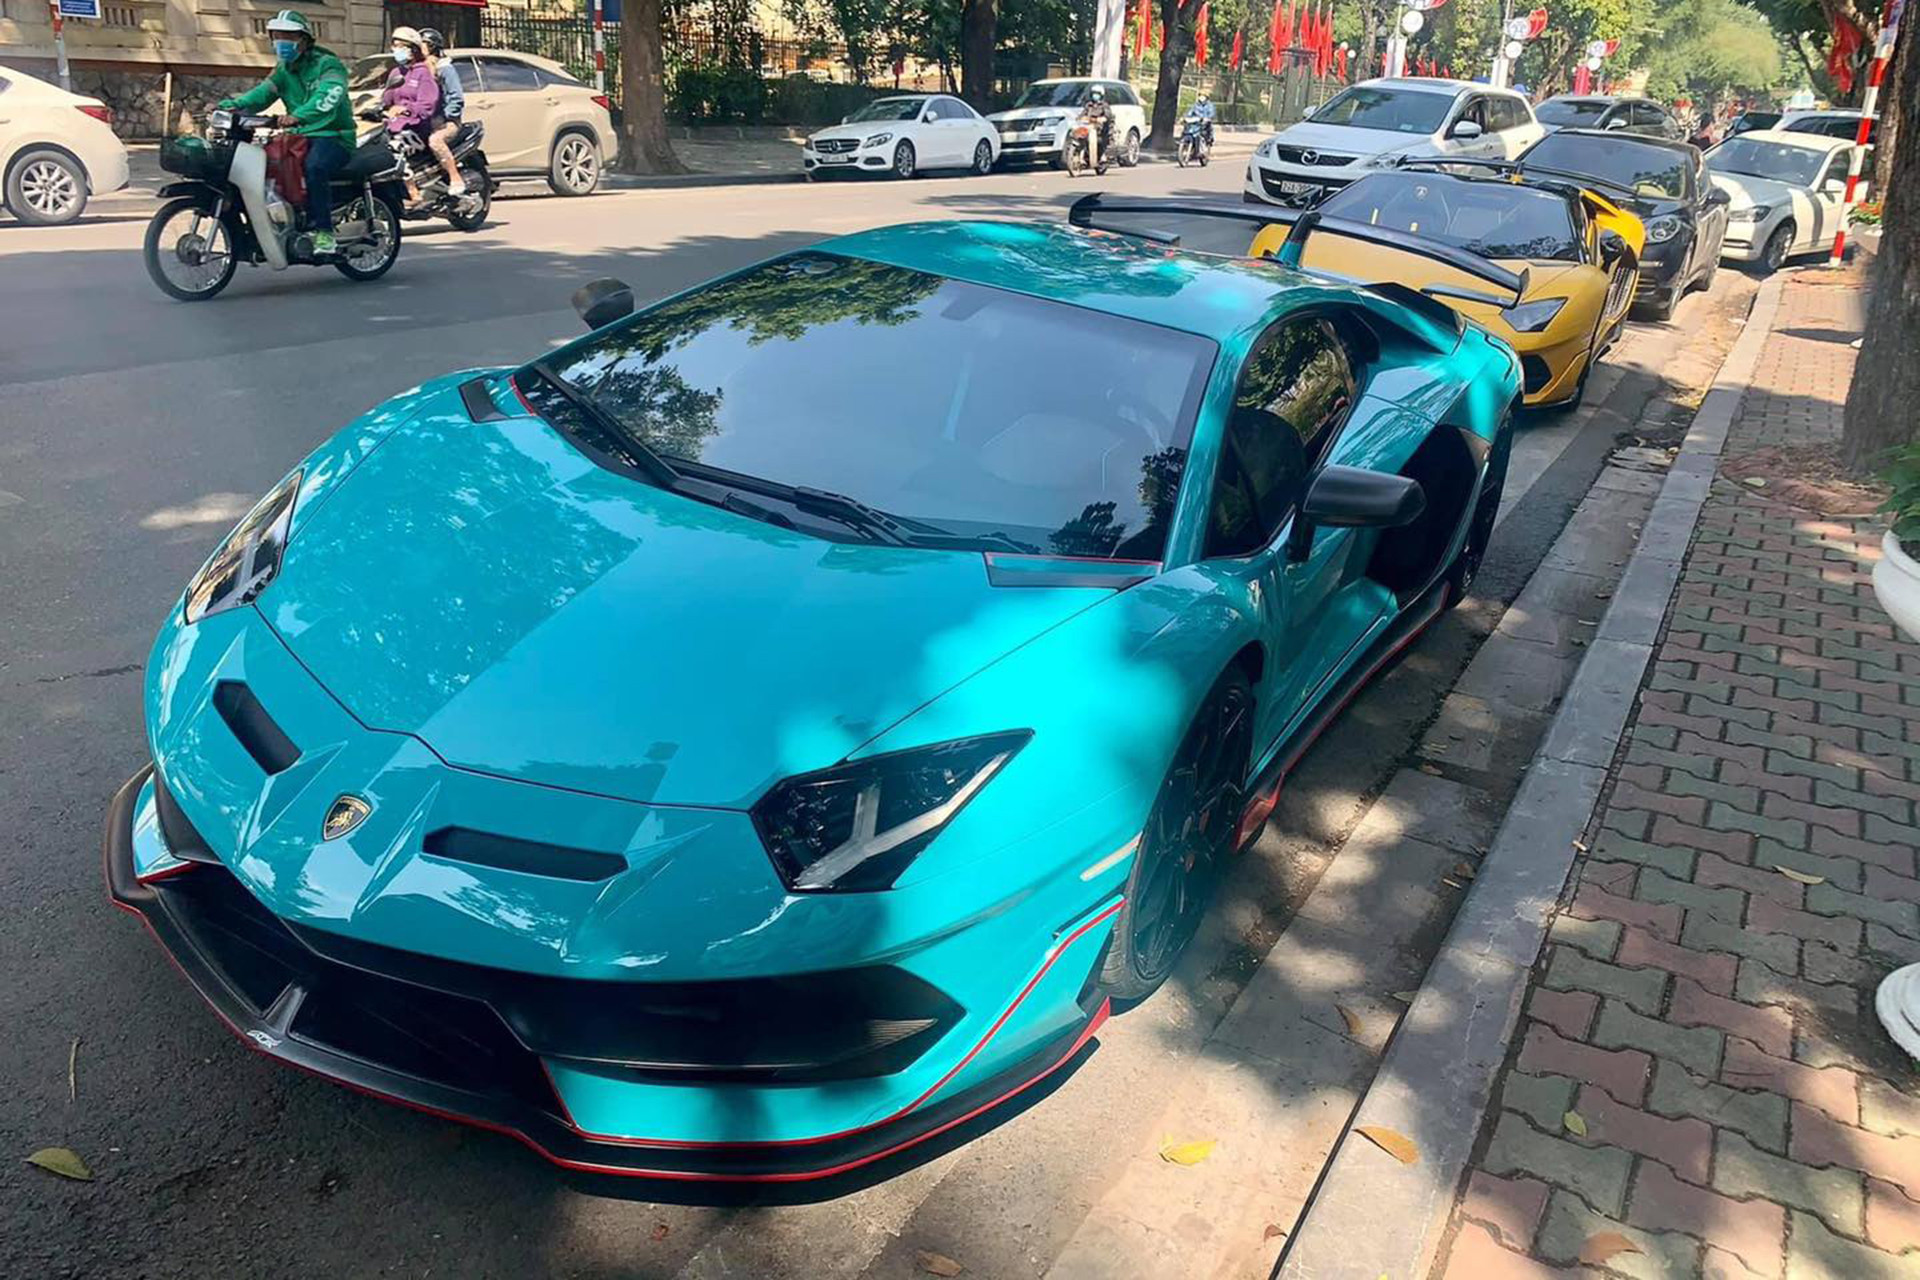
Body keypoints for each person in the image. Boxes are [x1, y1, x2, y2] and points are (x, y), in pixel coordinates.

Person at [218, 10, 354, 257]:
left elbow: (329, 96)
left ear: (304, 39)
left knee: (315, 167)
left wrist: (298, 115)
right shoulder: (283, 69)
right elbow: (262, 94)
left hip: (333, 135)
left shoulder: (328, 64)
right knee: (266, 165)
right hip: (298, 135)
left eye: (288, 36)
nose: (281, 41)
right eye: (277, 36)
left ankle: (325, 233)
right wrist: (233, 106)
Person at [380, 26, 440, 201]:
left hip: (415, 128)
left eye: (401, 46)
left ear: (413, 49)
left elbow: (427, 105)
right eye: (394, 46)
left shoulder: (423, 73)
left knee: (394, 147)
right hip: (392, 126)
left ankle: (412, 191)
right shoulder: (396, 72)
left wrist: (406, 109)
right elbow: (386, 99)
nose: (396, 50)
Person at [419, 28, 466, 197]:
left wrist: (443, 117)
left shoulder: (445, 68)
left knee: (435, 141)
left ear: (431, 46)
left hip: (446, 122)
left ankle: (455, 177)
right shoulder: (417, 69)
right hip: (423, 120)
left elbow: (456, 97)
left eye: (422, 44)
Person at [1082, 84, 1113, 170]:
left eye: (1097, 94)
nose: (1095, 95)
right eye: (1093, 93)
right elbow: (1082, 114)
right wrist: (1081, 118)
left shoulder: (1104, 105)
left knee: (1100, 141)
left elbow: (1108, 115)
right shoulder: (1088, 105)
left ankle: (1102, 156)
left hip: (1100, 128)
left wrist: (1103, 118)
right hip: (1088, 127)